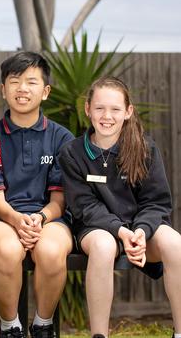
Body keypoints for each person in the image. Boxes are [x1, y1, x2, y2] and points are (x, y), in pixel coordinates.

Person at [59, 76, 181, 338]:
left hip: (140, 230)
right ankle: (99, 335)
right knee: (103, 246)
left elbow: (156, 202)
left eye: (115, 109)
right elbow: (83, 206)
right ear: (88, 109)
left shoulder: (145, 148)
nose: (107, 116)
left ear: (128, 112)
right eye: (100, 108)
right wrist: (119, 231)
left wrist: (140, 231)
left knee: (176, 244)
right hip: (96, 229)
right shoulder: (72, 153)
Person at [0, 52, 74, 338]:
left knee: (51, 251)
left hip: (51, 219)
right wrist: (17, 220)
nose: (22, 89)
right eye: (14, 81)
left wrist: (39, 219)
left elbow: (59, 200)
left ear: (45, 92)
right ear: (3, 90)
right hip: (2, 218)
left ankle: (43, 325)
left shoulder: (61, 138)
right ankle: (10, 327)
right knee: (7, 250)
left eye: (31, 82)